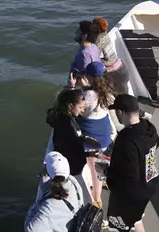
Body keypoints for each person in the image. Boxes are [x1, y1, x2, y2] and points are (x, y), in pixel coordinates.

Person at [104, 94, 159, 232]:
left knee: (117, 228)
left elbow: (128, 175)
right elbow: (157, 143)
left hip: (130, 195)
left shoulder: (126, 139)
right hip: (149, 184)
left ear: (120, 112)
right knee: (136, 220)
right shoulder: (149, 128)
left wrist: (105, 171)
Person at [70, 61, 117, 208]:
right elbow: (95, 98)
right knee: (101, 167)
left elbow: (78, 109)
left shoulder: (87, 95)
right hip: (104, 134)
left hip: (91, 137)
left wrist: (72, 87)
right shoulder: (107, 92)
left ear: (89, 76)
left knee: (93, 167)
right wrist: (86, 87)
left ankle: (94, 200)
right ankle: (100, 194)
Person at [46, 87, 99, 204]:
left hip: (74, 164)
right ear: (70, 106)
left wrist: (84, 139)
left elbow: (73, 140)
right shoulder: (67, 126)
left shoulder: (66, 118)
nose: (82, 110)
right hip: (72, 167)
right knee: (84, 195)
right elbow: (69, 150)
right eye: (80, 107)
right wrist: (88, 153)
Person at [25, 151, 86, 232]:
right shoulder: (74, 182)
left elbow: (30, 230)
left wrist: (35, 207)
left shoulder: (49, 207)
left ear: (47, 173)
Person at [93, 17, 130, 95]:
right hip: (121, 67)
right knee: (124, 95)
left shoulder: (98, 39)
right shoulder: (105, 34)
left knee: (117, 96)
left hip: (114, 72)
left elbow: (95, 56)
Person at [69, 20, 101, 85]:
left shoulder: (84, 54)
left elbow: (85, 78)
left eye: (79, 31)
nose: (76, 33)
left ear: (85, 36)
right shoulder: (93, 46)